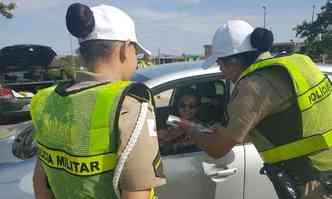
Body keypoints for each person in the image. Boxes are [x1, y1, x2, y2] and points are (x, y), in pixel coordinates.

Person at [181, 20, 332, 199]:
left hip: (313, 182)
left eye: (221, 64)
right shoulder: (300, 62)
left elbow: (217, 148)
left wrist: (189, 129)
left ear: (235, 60)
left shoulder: (253, 87)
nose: (222, 72)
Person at [31, 3, 166, 199]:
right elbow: (136, 194)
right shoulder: (129, 104)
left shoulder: (46, 100)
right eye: (135, 52)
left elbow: (40, 182)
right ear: (125, 49)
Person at [158, 88, 202, 153]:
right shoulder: (169, 120)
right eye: (182, 105)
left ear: (197, 108)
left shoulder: (200, 128)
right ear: (177, 106)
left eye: (192, 106)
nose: (187, 109)